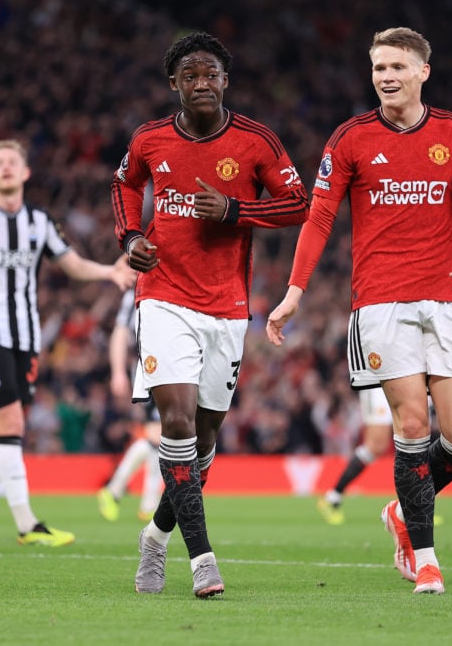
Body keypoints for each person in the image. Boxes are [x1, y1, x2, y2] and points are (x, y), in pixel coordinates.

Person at [267, 27, 452, 595]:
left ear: (423, 71)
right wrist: (295, 291)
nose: (386, 76)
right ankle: (426, 559)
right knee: (411, 427)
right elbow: (319, 218)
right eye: (378, 68)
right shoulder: (349, 138)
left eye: (397, 66)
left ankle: (401, 510)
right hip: (381, 305)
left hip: (445, 301)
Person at [112, 32, 309, 598]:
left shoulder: (255, 141)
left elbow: (300, 204)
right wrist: (130, 237)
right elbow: (124, 183)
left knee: (202, 443)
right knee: (174, 421)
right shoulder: (149, 138)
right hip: (163, 296)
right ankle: (203, 561)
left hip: (226, 308)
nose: (202, 83)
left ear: (226, 81)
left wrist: (236, 210)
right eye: (191, 75)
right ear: (174, 83)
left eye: (212, 75)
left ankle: (154, 536)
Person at [0, 139, 135, 547]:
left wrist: (109, 272)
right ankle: (27, 524)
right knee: (13, 423)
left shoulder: (38, 220)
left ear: (25, 173)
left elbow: (69, 262)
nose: (4, 168)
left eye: (11, 162)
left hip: (25, 338)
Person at [96, 287, 164, 522]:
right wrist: (118, 372)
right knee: (158, 433)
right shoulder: (137, 292)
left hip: (171, 365)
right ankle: (131, 497)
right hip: (151, 366)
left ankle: (137, 500)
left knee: (160, 436)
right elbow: (120, 331)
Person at [316, 387, 392, 525]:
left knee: (415, 436)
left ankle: (417, 509)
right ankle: (333, 497)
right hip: (380, 381)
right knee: (376, 446)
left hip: (410, 378)